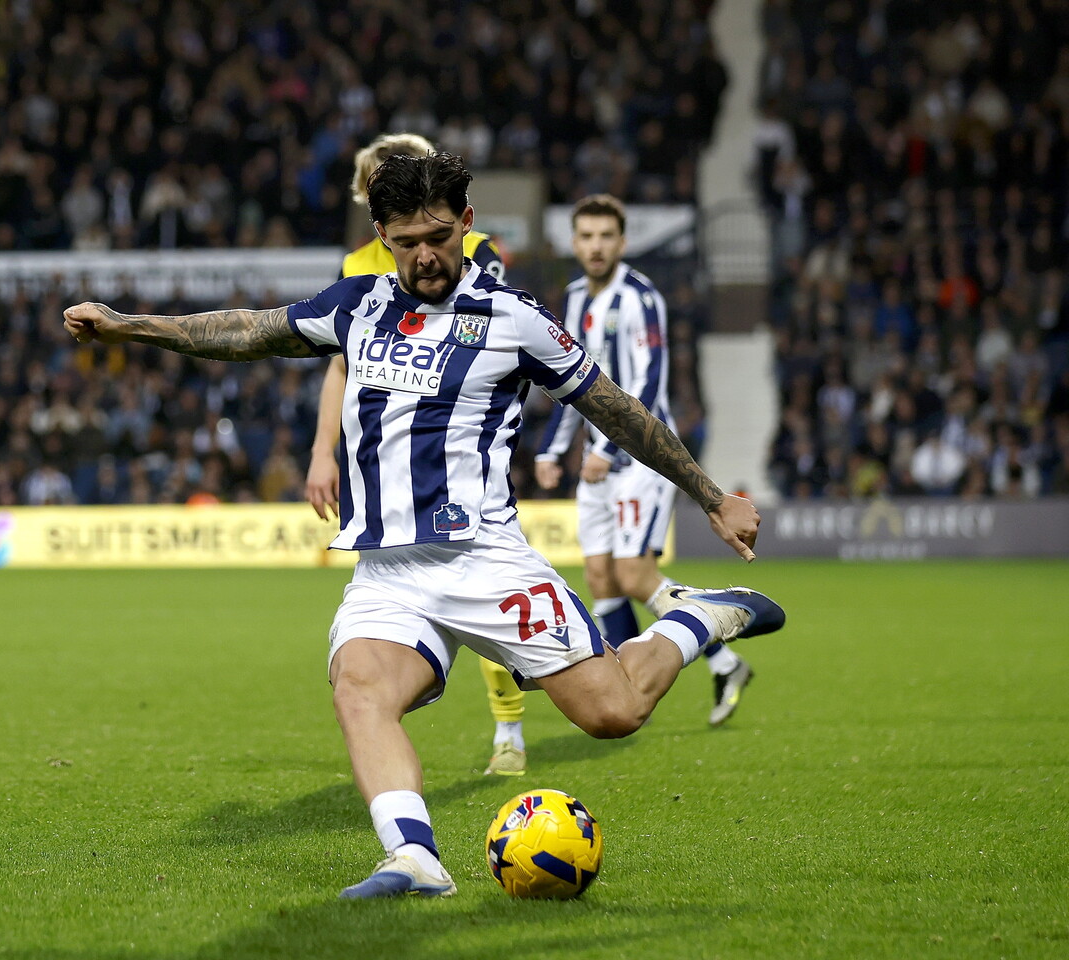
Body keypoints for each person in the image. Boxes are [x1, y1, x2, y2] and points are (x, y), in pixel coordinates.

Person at [63, 154, 785, 901]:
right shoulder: (355, 305)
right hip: (389, 574)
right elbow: (248, 329)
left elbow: (617, 409)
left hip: (486, 562)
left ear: (466, 224)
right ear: (383, 234)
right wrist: (129, 328)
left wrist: (709, 496)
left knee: (615, 713)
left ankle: (700, 616)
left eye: (440, 235)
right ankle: (413, 858)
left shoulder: (513, 318)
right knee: (361, 689)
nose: (426, 254)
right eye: (407, 240)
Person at [305, 133, 529, 777]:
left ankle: (508, 728)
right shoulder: (356, 268)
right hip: (386, 461)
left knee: (483, 583)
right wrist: (325, 450)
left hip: (460, 439)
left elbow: (491, 331)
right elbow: (342, 363)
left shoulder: (475, 253)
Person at [536, 195, 755, 726]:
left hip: (639, 461)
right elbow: (570, 383)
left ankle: (718, 648)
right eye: (586, 236)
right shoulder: (571, 298)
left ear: (622, 242)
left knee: (634, 574)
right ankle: (637, 683)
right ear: (574, 242)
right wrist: (551, 448)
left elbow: (649, 385)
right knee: (599, 578)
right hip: (595, 459)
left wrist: (609, 449)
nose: (595, 246)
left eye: (605, 236)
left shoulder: (640, 297)